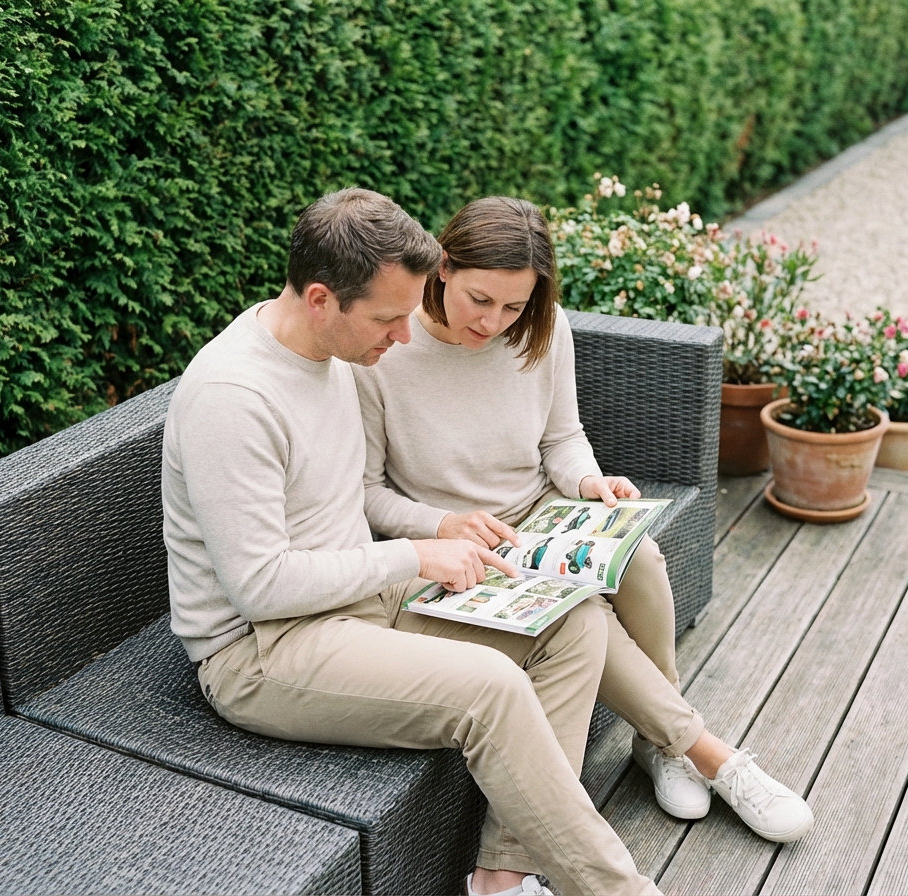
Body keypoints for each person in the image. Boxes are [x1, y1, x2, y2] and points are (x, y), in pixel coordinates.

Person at [161, 188, 661, 896]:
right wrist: (418, 553)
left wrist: (417, 554)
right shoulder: (232, 399)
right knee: (492, 689)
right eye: (390, 318)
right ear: (320, 300)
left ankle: (500, 879)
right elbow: (260, 588)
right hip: (262, 647)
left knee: (572, 622)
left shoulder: (335, 355)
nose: (404, 337)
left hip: (363, 596)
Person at [355, 196, 815, 846]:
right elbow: (369, 493)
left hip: (545, 518)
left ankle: (661, 744)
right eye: (480, 299)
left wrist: (589, 482)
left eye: (514, 306)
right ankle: (704, 751)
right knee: (584, 616)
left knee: (643, 557)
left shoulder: (544, 329)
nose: (494, 321)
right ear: (444, 268)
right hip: (461, 548)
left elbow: (562, 439)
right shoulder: (388, 349)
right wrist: (443, 523)